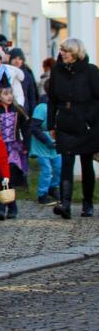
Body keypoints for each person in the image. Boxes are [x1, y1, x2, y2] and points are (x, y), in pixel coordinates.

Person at [47, 38, 99, 219]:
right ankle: (65, 204)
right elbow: (52, 99)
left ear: (76, 53)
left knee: (86, 164)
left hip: (85, 123)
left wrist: (90, 118)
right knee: (66, 164)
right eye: (61, 50)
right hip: (65, 122)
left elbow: (97, 97)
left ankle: (87, 204)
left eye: (66, 51)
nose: (62, 53)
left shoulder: (91, 71)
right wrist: (51, 124)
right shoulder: (57, 71)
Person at [0, 84, 28, 220]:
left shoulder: (18, 110)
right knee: (1, 177)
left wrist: (27, 144)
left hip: (14, 148)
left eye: (10, 93)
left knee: (7, 176)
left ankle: (1, 207)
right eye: (5, 94)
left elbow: (26, 128)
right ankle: (12, 207)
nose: (9, 96)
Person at [29, 94, 61, 205]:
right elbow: (34, 127)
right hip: (42, 144)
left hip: (56, 143)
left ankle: (53, 188)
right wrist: (47, 141)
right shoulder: (42, 107)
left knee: (59, 167)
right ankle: (42, 194)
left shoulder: (63, 104)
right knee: (46, 170)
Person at [9, 48, 38, 118]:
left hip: (25, 110)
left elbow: (32, 96)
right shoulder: (6, 72)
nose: (17, 61)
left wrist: (33, 114)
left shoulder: (27, 75)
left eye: (19, 59)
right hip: (9, 111)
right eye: (14, 58)